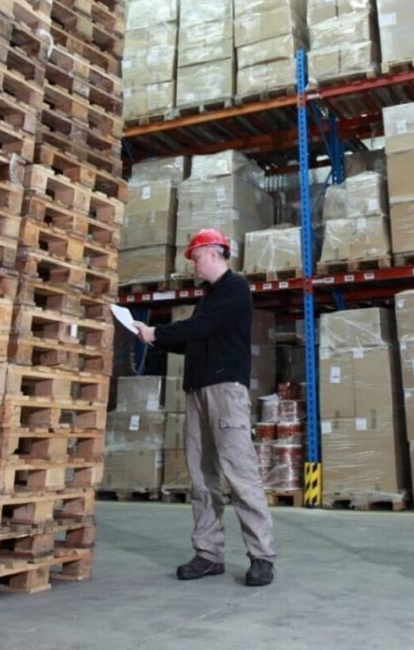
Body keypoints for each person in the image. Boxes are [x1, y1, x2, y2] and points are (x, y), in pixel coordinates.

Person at [134, 228, 277, 587]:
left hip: (225, 392)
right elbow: (196, 340)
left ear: (213, 253)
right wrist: (154, 341)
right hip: (198, 391)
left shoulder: (234, 288)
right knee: (201, 478)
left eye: (195, 258)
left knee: (240, 474)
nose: (193, 266)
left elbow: (202, 327)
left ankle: (261, 556)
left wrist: (157, 333)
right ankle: (208, 554)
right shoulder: (209, 297)